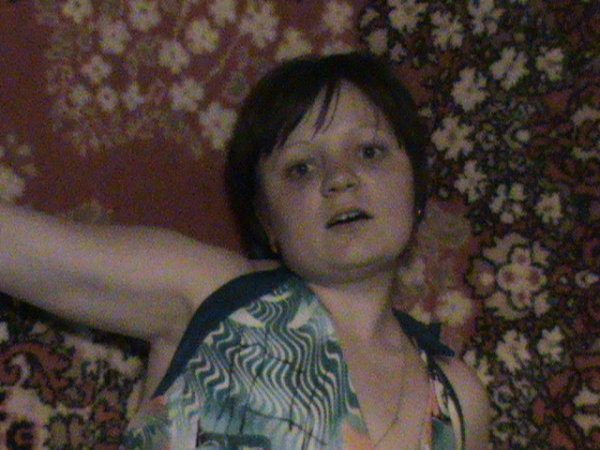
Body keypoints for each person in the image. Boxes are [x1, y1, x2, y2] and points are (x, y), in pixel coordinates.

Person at [0, 53, 489, 449]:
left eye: (369, 151)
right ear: (265, 218)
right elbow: (18, 248)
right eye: (301, 168)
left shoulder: (456, 396)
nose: (340, 178)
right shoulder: (208, 294)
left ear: (416, 187)